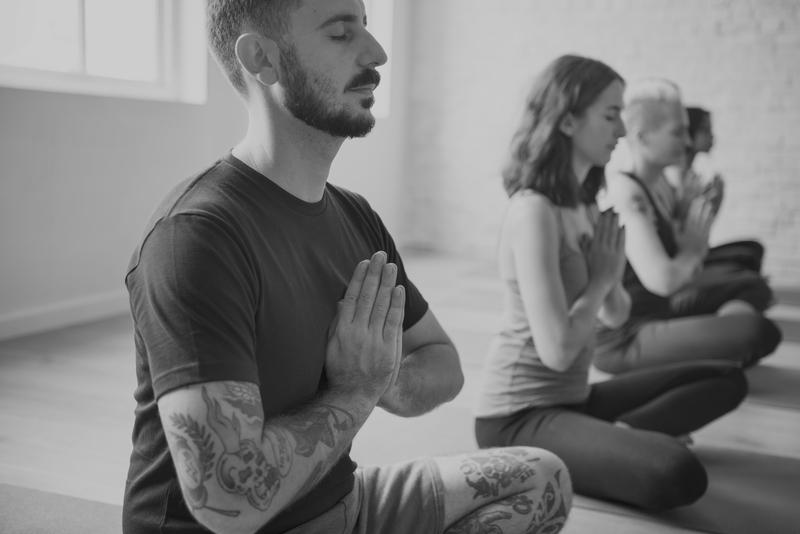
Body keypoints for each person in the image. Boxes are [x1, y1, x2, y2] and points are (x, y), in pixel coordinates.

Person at [122, 1, 572, 533]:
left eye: (367, 27)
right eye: (341, 33)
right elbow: (228, 499)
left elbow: (442, 363)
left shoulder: (354, 215)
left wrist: (380, 378)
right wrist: (355, 390)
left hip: (342, 505)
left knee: (541, 478)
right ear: (262, 59)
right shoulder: (196, 237)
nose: (376, 53)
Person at [474, 55, 747, 511]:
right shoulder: (533, 210)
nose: (622, 130)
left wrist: (611, 272)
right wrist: (601, 278)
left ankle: (611, 440)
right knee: (678, 473)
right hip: (518, 417)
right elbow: (557, 351)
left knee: (725, 377)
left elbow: (617, 314)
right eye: (610, 114)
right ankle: (620, 444)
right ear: (565, 121)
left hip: (574, 400)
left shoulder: (584, 204)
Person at [595, 79, 781, 373]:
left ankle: (714, 342)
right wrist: (695, 245)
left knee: (751, 289)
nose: (687, 142)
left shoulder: (654, 184)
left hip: (663, 311)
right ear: (642, 138)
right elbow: (664, 279)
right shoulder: (625, 192)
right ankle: (718, 342)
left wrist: (698, 215)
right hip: (626, 338)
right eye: (678, 132)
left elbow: (678, 251)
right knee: (756, 331)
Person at [665, 106, 765, 274]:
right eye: (705, 130)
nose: (712, 136)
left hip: (696, 252)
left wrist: (713, 206)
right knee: (748, 259)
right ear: (689, 132)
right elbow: (674, 232)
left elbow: (699, 230)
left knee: (754, 250)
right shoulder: (674, 174)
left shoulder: (692, 176)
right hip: (680, 260)